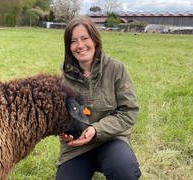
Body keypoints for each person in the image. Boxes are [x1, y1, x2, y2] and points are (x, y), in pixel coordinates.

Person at [56, 15, 141, 180]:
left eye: (84, 38)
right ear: (68, 46)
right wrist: (63, 132)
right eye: (73, 41)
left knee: (125, 171)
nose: (80, 45)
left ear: (95, 40)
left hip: (111, 140)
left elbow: (129, 111)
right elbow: (60, 117)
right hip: (76, 148)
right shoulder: (63, 79)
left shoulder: (116, 69)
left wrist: (96, 130)